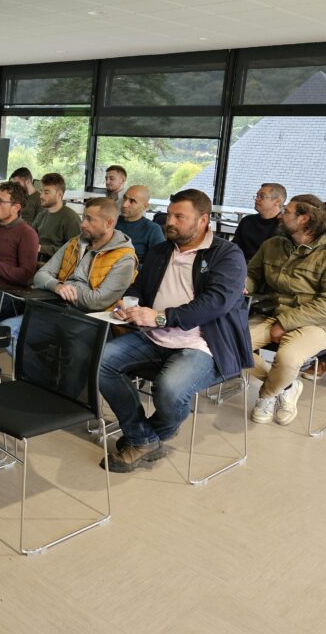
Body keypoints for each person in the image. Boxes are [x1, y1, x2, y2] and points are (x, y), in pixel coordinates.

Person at [98, 189, 252, 473]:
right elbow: (140, 288)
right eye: (169, 215)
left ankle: (145, 438)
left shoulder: (227, 254)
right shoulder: (161, 250)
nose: (170, 221)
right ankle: (143, 438)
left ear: (203, 220)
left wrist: (160, 317)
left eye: (179, 217)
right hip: (154, 336)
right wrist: (128, 302)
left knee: (169, 389)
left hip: (204, 343)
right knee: (101, 363)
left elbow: (215, 303)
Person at [246, 194, 326, 426]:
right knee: (223, 345)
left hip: (319, 322)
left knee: (287, 358)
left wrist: (285, 323)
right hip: (275, 312)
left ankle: (266, 395)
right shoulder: (273, 245)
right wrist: (241, 286)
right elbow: (253, 275)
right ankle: (287, 386)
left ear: (304, 219)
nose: (281, 214)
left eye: (287, 211)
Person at [4, 197, 137, 350]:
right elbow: (41, 275)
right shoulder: (76, 242)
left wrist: (65, 288)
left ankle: (41, 372)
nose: (82, 224)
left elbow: (97, 301)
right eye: (83, 217)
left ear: (109, 223)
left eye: (89, 219)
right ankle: (39, 373)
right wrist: (58, 286)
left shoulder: (124, 258)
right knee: (8, 330)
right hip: (59, 308)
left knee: (63, 343)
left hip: (91, 320)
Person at [32, 172, 83, 261]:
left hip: (55, 267)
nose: (41, 196)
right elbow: (31, 236)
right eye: (41, 191)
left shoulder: (71, 219)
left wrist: (41, 249)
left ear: (59, 194)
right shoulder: (41, 215)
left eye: (46, 192)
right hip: (35, 260)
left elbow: (74, 251)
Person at [233, 182, 286, 261]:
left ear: (277, 202)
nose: (257, 199)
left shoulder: (284, 226)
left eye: (262, 196)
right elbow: (235, 246)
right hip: (240, 265)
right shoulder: (247, 221)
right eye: (257, 196)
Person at [116, 185, 165, 265]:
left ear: (145, 206)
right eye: (124, 198)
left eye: (132, 201)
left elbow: (159, 262)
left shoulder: (152, 229)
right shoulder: (112, 221)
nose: (124, 204)